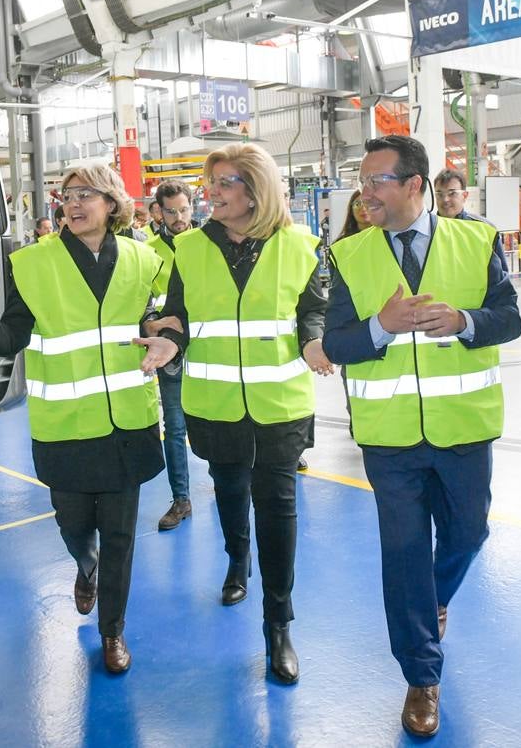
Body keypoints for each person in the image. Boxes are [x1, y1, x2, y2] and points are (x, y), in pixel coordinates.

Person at [323, 135, 521, 738]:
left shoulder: (477, 240)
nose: (366, 193)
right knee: (404, 552)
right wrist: (379, 329)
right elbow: (335, 344)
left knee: (469, 530)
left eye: (378, 180)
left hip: (463, 429)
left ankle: (432, 599)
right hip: (390, 439)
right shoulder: (346, 255)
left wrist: (464, 322)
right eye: (363, 181)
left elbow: (508, 318)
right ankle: (421, 674)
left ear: (415, 185)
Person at [0, 164, 177, 676]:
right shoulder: (31, 263)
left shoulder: (144, 258)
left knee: (122, 534)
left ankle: (113, 632)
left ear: (112, 203)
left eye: (87, 194)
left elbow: (158, 319)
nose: (74, 203)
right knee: (74, 524)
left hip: (128, 419)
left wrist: (168, 335)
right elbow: (14, 334)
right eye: (67, 195)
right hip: (66, 424)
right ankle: (86, 566)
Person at [156, 143, 332, 685]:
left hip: (279, 405)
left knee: (277, 507)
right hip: (216, 404)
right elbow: (177, 314)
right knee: (230, 491)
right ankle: (237, 560)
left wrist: (314, 341)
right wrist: (169, 341)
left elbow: (314, 309)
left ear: (257, 190)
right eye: (212, 181)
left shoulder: (301, 245)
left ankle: (278, 624)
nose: (213, 191)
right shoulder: (188, 247)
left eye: (226, 182)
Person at [144, 180, 199, 531]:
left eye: (183, 209)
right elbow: (140, 302)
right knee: (175, 428)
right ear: (158, 212)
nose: (179, 217)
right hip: (170, 353)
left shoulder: (208, 245)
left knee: (227, 424)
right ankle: (181, 499)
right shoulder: (147, 253)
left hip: (211, 350)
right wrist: (151, 323)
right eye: (171, 211)